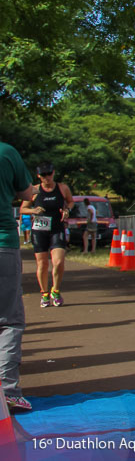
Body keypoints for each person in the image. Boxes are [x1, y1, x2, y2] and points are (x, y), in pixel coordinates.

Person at [1, 142, 34, 412]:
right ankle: (7, 392)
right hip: (2, 243)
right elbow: (26, 191)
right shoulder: (7, 152)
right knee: (9, 319)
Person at [20, 163, 73, 308]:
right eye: (43, 175)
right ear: (38, 176)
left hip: (57, 228)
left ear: (53, 173)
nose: (47, 177)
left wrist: (67, 209)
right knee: (42, 264)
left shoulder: (62, 188)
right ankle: (44, 293)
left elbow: (70, 201)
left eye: (49, 174)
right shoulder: (34, 190)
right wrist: (34, 210)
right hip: (40, 230)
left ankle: (55, 291)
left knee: (58, 262)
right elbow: (23, 209)